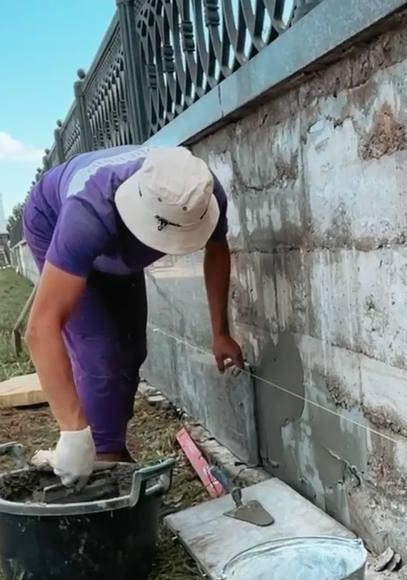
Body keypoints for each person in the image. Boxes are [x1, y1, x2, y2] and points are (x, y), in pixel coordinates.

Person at [21, 145, 244, 488]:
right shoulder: (87, 214)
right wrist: (72, 432)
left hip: (116, 237)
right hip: (53, 220)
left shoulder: (200, 190)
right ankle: (101, 462)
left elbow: (216, 252)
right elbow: (42, 327)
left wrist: (221, 333)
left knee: (131, 346)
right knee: (100, 348)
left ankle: (111, 450)